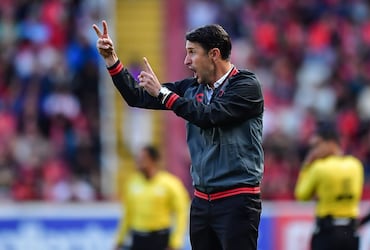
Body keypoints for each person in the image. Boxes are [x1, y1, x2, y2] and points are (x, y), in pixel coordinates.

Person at [93, 20, 264, 250]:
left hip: (237, 199)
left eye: (192, 53)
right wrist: (111, 60)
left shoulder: (246, 86)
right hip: (202, 202)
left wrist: (164, 94)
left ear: (214, 54)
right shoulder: (191, 88)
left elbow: (209, 115)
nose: (186, 61)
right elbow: (136, 97)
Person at [294, 124, 364, 250]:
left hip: (327, 233)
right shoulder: (356, 165)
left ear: (330, 143)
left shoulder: (319, 167)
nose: (314, 150)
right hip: (350, 232)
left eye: (317, 145)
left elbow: (301, 195)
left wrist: (307, 165)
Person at [114, 145, 189, 250]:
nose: (138, 162)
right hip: (138, 238)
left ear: (153, 160)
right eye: (138, 159)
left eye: (143, 159)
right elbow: (128, 214)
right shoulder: (132, 183)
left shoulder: (170, 184)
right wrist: (119, 241)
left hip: (160, 239)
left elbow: (181, 213)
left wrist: (175, 242)